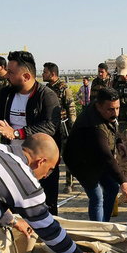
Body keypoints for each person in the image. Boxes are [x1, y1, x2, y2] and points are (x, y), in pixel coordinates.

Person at [0, 50, 62, 215]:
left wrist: (17, 133)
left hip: (40, 161)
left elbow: (50, 126)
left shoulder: (46, 96)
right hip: (12, 159)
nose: (7, 76)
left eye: (11, 73)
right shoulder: (6, 94)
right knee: (15, 202)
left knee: (45, 205)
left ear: (26, 76)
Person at [63, 87, 127, 221]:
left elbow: (112, 127)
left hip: (96, 157)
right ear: (99, 106)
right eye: (111, 109)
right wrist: (124, 182)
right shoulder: (94, 127)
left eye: (117, 108)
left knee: (112, 188)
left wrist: (118, 141)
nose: (115, 113)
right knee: (97, 196)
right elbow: (107, 157)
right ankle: (98, 229)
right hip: (81, 162)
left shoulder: (103, 110)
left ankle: (105, 223)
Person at [42, 62, 77, 192]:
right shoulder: (45, 89)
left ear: (52, 74)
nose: (42, 74)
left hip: (63, 126)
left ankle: (69, 183)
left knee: (67, 155)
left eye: (45, 72)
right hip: (49, 126)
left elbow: (71, 108)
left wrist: (72, 128)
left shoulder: (64, 88)